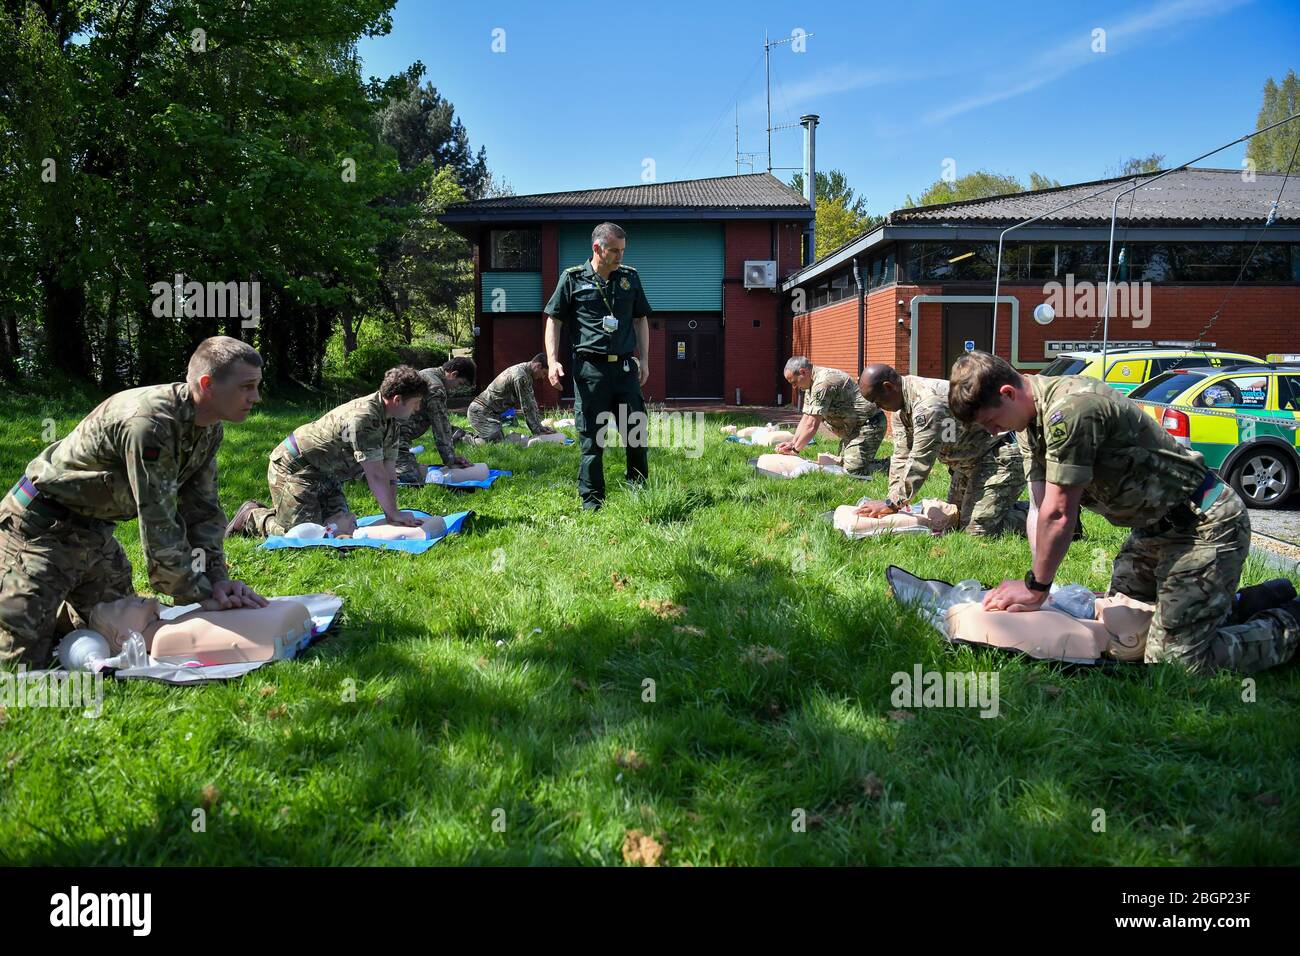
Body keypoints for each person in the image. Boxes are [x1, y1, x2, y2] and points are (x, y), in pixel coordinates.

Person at [947, 350, 1300, 674]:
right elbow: (1039, 506)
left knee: (1175, 663)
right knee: (1124, 631)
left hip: (1203, 526)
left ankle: (1289, 625)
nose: (993, 432)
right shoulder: (1028, 423)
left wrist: (1036, 588)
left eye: (992, 422)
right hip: (1153, 531)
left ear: (1008, 393)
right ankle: (1244, 602)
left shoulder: (1070, 409)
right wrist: (1039, 589)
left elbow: (1059, 512)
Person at [0, 336, 269, 667]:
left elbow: (202, 512)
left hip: (95, 535)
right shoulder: (150, 424)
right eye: (247, 387)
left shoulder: (208, 429)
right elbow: (159, 523)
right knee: (19, 666)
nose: (256, 397)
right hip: (37, 532)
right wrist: (198, 593)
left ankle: (49, 607)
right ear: (207, 385)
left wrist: (216, 581)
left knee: (122, 641)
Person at [228, 366, 429, 538]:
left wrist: (392, 514)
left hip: (326, 473)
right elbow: (375, 474)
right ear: (397, 399)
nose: (418, 408)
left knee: (342, 528)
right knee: (305, 535)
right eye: (415, 403)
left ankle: (289, 510)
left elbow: (389, 471)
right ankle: (252, 516)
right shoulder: (364, 418)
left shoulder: (391, 421)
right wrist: (393, 513)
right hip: (295, 468)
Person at [543, 222, 652, 510]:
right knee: (592, 438)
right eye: (614, 251)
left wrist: (646, 361)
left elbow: (641, 319)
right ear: (597, 248)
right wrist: (553, 361)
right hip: (591, 371)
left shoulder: (630, 278)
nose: (620, 256)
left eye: (623, 250)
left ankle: (639, 492)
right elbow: (554, 319)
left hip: (626, 368)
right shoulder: (572, 279)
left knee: (636, 434)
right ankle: (592, 501)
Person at [855, 364, 1027, 536]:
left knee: (976, 530)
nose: (878, 407)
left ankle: (1042, 515)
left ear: (888, 387)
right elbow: (901, 457)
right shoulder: (901, 410)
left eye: (877, 401)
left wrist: (891, 504)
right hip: (970, 462)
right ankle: (998, 505)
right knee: (955, 519)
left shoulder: (928, 405)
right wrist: (893, 500)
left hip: (999, 455)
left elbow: (920, 460)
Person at [778, 357, 886, 476]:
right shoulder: (811, 384)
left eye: (794, 382)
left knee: (854, 472)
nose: (794, 387)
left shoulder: (823, 383)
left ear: (803, 372)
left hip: (869, 424)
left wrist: (795, 450)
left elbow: (812, 424)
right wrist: (792, 443)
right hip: (853, 428)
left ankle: (893, 466)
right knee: (843, 465)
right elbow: (806, 418)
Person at [394, 357, 476, 483]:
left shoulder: (428, 373)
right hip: (393, 437)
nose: (457, 388)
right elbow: (441, 428)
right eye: (460, 384)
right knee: (411, 477)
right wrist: (450, 459)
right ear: (453, 375)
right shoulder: (436, 389)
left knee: (417, 470)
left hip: (389, 433)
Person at [468, 353, 554, 443]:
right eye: (544, 373)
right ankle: (464, 437)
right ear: (538, 365)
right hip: (479, 411)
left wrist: (540, 427)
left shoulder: (527, 374)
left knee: (500, 440)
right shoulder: (520, 376)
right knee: (495, 440)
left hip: (492, 414)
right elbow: (527, 407)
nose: (543, 377)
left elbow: (531, 403)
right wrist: (537, 432)